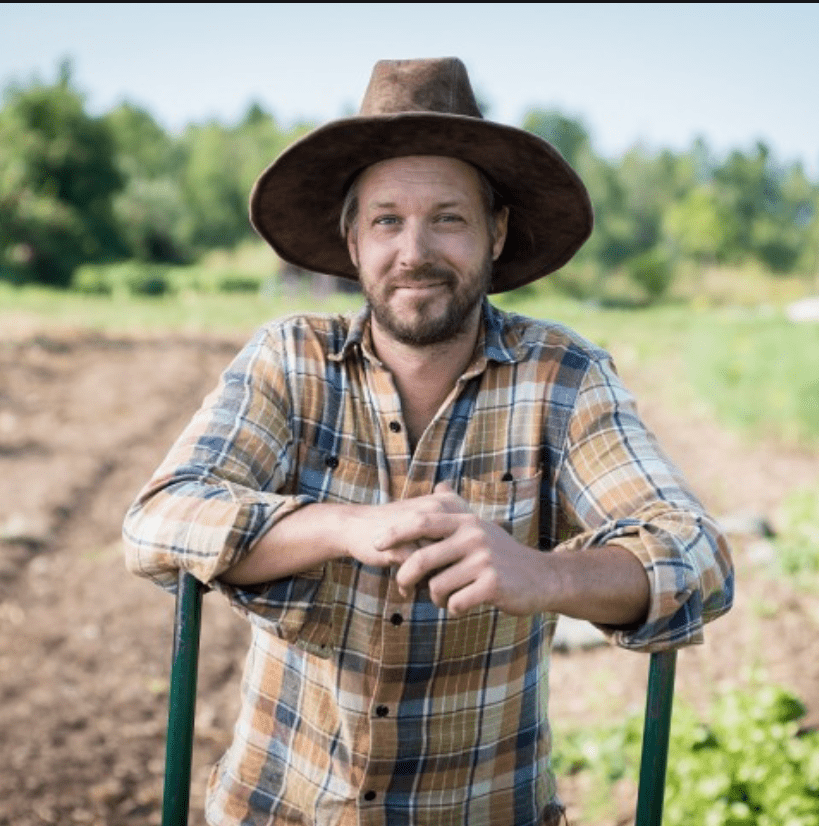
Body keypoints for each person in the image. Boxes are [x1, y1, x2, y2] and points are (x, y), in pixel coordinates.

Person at [123, 57, 733, 826]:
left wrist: (539, 575)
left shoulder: (562, 377)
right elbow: (159, 518)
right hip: (280, 808)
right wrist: (342, 526)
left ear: (495, 233)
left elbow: (698, 555)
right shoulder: (291, 360)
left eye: (447, 217)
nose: (414, 252)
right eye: (387, 220)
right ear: (352, 240)